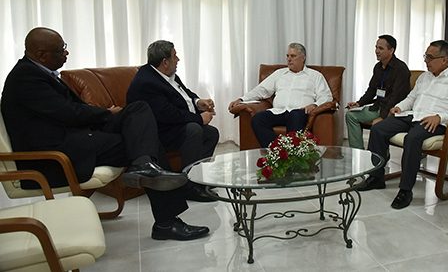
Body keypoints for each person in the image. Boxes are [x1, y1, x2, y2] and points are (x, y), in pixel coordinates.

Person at [1, 27, 210, 241]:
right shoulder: (26, 78)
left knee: (139, 109)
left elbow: (70, 112)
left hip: (78, 137)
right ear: (40, 55)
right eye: (61, 50)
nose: (66, 53)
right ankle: (164, 216)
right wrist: (106, 114)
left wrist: (108, 116)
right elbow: (69, 113)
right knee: (142, 141)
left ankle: (145, 166)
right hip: (58, 153)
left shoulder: (38, 73)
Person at [361, 40, 448, 210]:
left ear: (444, 59)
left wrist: (439, 117)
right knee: (378, 129)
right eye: (425, 56)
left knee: (412, 139)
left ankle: (405, 190)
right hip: (413, 116)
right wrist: (400, 107)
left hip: (435, 122)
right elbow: (412, 98)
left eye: (430, 57)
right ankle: (376, 177)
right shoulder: (424, 77)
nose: (426, 61)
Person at [126, 40, 219, 202]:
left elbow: (184, 93)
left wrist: (198, 102)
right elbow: (167, 114)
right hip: (159, 132)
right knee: (194, 129)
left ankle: (197, 179)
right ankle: (189, 186)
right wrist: (199, 119)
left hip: (173, 126)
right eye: (175, 56)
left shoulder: (165, 74)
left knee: (211, 133)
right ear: (165, 62)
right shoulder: (147, 82)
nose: (178, 60)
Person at [228, 43, 333, 148]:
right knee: (258, 119)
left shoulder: (315, 76)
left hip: (300, 112)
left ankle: (293, 154)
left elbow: (326, 96)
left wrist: (315, 105)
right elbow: (261, 90)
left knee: (295, 115)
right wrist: (242, 99)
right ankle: (278, 151)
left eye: (293, 56)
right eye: (287, 56)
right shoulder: (279, 74)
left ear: (303, 58)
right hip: (279, 111)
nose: (289, 59)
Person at [345, 34, 411, 149]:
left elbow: (396, 97)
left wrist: (383, 117)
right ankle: (358, 153)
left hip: (392, 110)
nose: (376, 51)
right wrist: (359, 103)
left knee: (379, 126)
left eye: (381, 48)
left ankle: (379, 158)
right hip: (378, 106)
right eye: (376, 47)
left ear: (391, 50)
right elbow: (371, 91)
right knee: (351, 115)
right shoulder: (378, 67)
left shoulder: (401, 69)